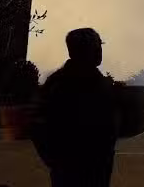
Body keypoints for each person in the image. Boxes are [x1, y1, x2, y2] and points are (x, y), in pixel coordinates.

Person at [32, 28, 118, 187]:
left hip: (96, 169)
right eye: (97, 46)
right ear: (84, 50)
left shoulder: (100, 83)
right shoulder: (59, 85)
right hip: (70, 171)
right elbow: (39, 126)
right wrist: (56, 161)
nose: (100, 50)